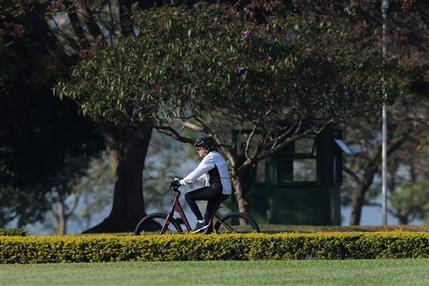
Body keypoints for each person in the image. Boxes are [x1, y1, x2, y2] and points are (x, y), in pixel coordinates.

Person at [173, 136, 231, 233]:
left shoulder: (210, 157)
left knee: (188, 196)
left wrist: (181, 182)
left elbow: (196, 172)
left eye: (199, 148)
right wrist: (184, 180)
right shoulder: (216, 156)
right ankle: (205, 228)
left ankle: (201, 222)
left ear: (206, 148)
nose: (198, 151)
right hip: (223, 190)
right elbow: (202, 176)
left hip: (217, 189)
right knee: (207, 225)